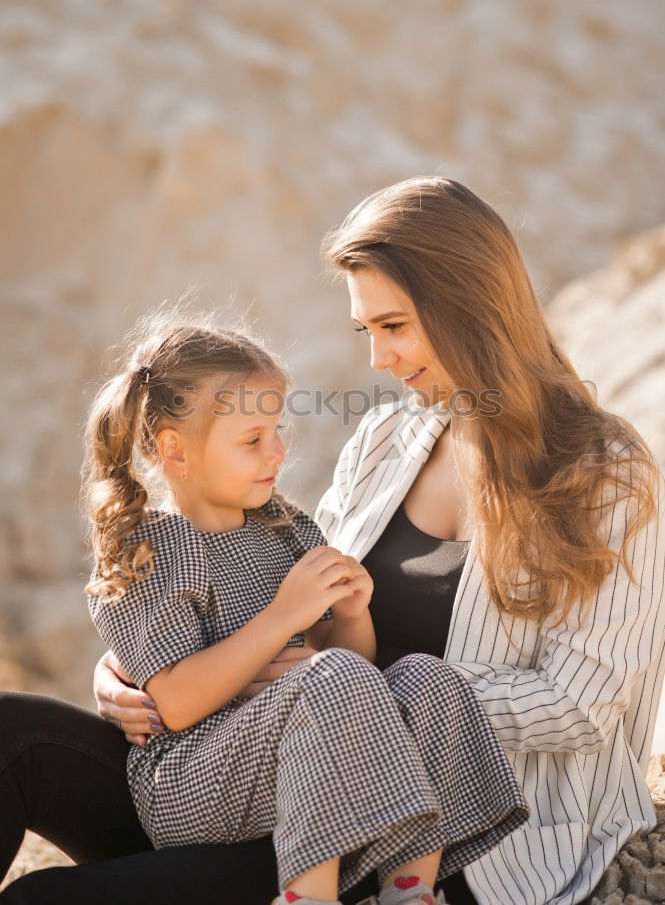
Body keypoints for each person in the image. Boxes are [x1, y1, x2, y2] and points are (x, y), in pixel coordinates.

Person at [1, 177, 663, 905]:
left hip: (443, 825)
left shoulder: (603, 472)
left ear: (470, 307)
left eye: (394, 325)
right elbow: (280, 600)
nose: (377, 359)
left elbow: (579, 703)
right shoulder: (386, 437)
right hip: (259, 773)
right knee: (12, 737)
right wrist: (146, 668)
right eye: (365, 331)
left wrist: (346, 695)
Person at [1, 311, 526, 905]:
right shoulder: (149, 546)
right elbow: (172, 703)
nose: (276, 452)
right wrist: (282, 617)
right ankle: (308, 896)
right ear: (175, 452)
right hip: (192, 781)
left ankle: (411, 889)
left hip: (294, 770)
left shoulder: (285, 527)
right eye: (252, 440)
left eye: (277, 431)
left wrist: (352, 612)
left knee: (426, 678)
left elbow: (352, 666)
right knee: (332, 677)